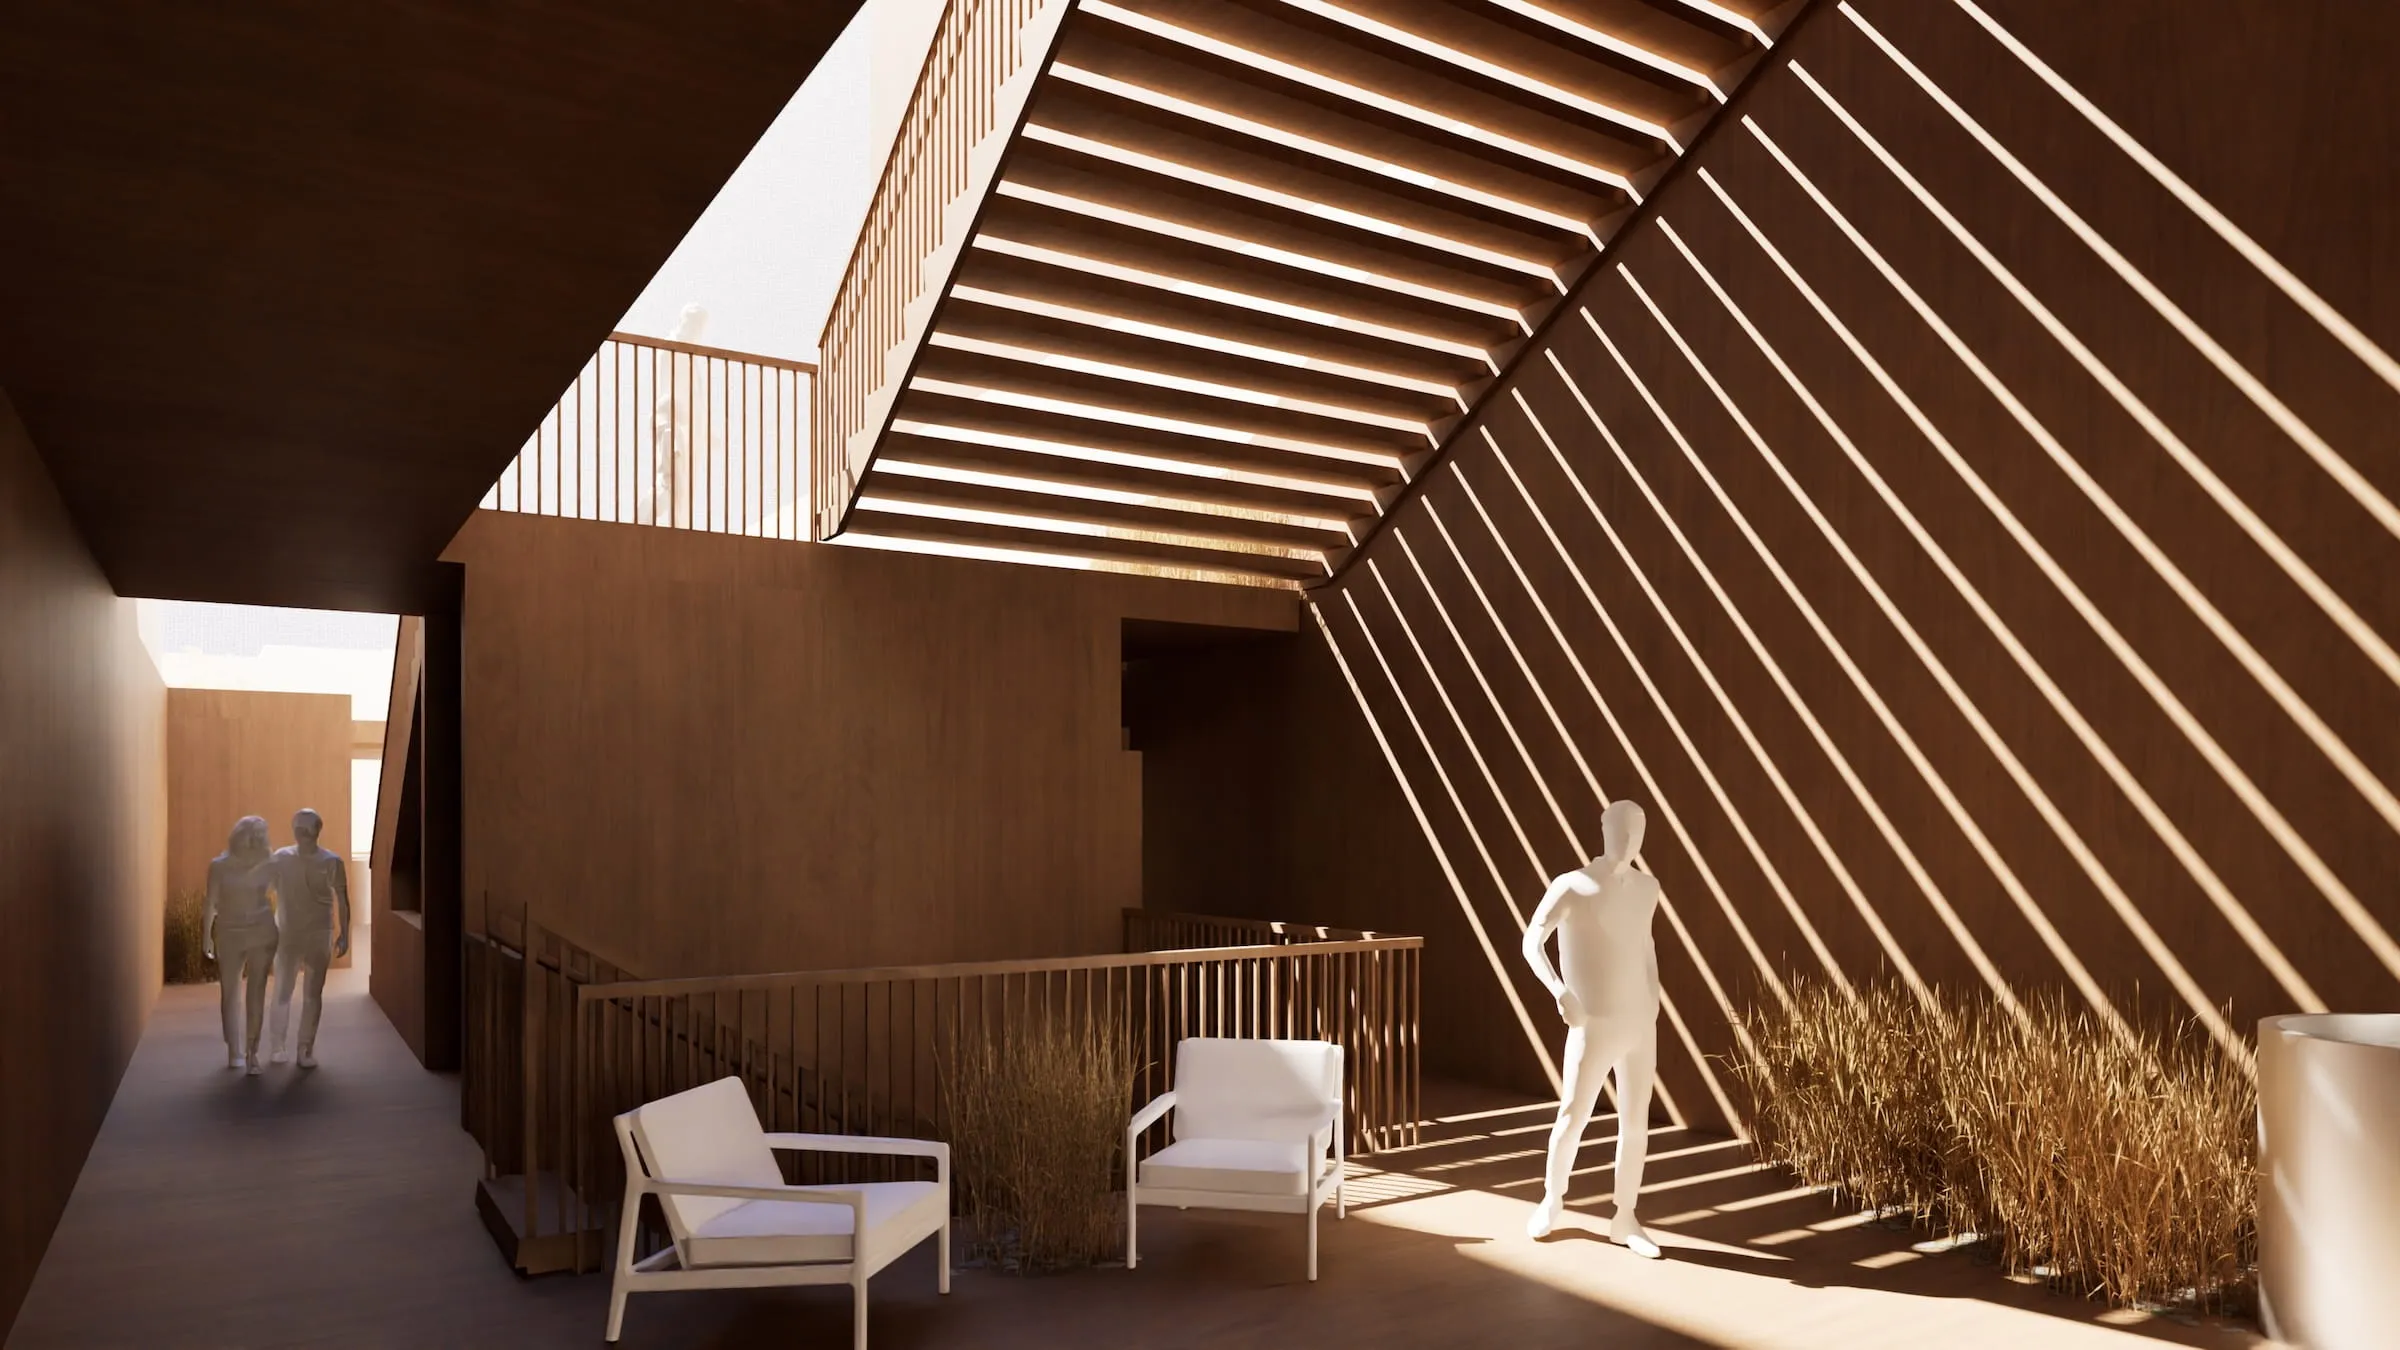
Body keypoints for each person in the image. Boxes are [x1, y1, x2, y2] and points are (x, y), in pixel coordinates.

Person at [1521, 800, 1664, 1259]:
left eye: (1637, 829)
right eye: (1621, 828)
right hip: (1593, 1021)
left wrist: (1654, 996)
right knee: (1573, 1115)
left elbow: (1645, 943)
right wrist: (1559, 991)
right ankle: (1552, 1197)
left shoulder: (1647, 887)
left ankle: (1625, 1215)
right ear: (1603, 829)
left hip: (1639, 1021)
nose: (1629, 838)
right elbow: (1532, 940)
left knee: (1635, 1122)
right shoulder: (1573, 885)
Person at [264, 807, 350, 1069]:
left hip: (318, 934)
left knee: (312, 993)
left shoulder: (331, 862)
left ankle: (305, 1048)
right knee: (282, 990)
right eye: (298, 829)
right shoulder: (280, 858)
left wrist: (345, 934)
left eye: (305, 830)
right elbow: (263, 891)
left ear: (315, 832)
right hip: (288, 934)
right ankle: (278, 1046)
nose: (301, 834)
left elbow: (343, 901)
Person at [204, 816, 279, 1075]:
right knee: (230, 991)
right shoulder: (219, 866)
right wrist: (206, 935)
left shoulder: (270, 864)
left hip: (261, 930)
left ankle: (252, 1051)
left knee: (256, 992)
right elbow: (210, 903)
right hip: (230, 932)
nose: (254, 841)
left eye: (258, 836)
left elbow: (285, 895)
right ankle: (233, 1048)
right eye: (250, 836)